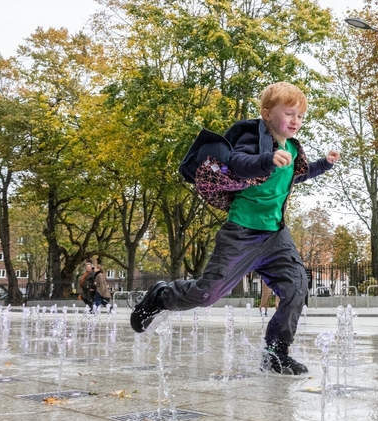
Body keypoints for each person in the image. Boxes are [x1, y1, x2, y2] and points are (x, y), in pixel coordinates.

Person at [131, 82, 340, 375]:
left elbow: (299, 175)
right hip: (241, 232)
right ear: (267, 114)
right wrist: (266, 159)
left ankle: (275, 353)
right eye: (289, 113)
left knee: (296, 288)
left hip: (275, 236)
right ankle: (162, 296)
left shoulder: (292, 149)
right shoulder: (253, 139)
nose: (295, 121)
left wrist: (324, 165)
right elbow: (238, 164)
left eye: (300, 116)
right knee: (208, 293)